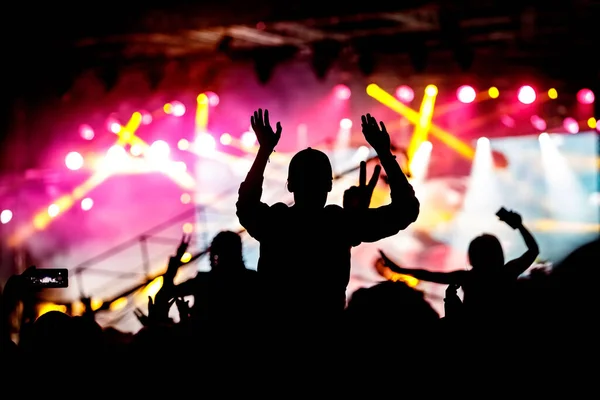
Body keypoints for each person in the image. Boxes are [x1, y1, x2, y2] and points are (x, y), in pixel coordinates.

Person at [236, 109, 419, 324]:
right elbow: (406, 210)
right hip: (326, 331)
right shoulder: (340, 224)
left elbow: (246, 205)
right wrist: (385, 153)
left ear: (291, 184)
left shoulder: (277, 221)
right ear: (329, 185)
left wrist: (264, 151)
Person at [379, 208, 539, 316]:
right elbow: (533, 250)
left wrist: (399, 270)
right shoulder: (507, 272)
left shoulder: (467, 277)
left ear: (472, 255)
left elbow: (431, 275)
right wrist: (519, 226)